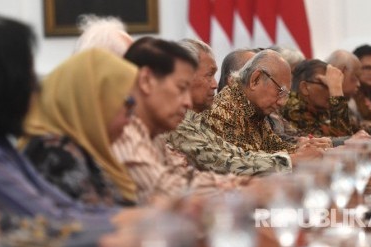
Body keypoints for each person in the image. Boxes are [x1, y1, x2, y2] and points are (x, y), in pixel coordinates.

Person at [112, 37, 254, 205]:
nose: (187, 102)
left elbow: (184, 175)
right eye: (181, 88)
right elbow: (167, 189)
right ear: (146, 81)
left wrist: (241, 185)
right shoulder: (125, 132)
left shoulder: (153, 133)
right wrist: (241, 189)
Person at [21, 48, 138, 205]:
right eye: (127, 104)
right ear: (94, 102)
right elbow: (95, 223)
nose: (129, 120)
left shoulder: (83, 148)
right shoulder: (54, 154)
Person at [168, 40, 303, 175]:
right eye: (209, 75)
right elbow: (221, 162)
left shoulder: (192, 117)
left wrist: (299, 149)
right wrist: (291, 160)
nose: (215, 85)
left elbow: (231, 152)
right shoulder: (218, 111)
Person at [202, 49, 328, 154]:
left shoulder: (254, 109)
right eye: (280, 91)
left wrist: (301, 149)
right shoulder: (223, 110)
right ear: (255, 80)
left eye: (285, 95)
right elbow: (242, 163)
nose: (282, 102)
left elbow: (274, 146)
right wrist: (293, 158)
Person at [280, 59, 351, 137]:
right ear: (305, 88)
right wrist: (336, 90)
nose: (331, 91)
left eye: (332, 84)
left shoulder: (320, 109)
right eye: (326, 84)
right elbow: (342, 141)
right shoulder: (292, 108)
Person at [326, 49, 371, 133]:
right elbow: (344, 133)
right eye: (355, 77)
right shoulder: (324, 99)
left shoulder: (347, 98)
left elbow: (355, 126)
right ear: (340, 72)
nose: (358, 84)